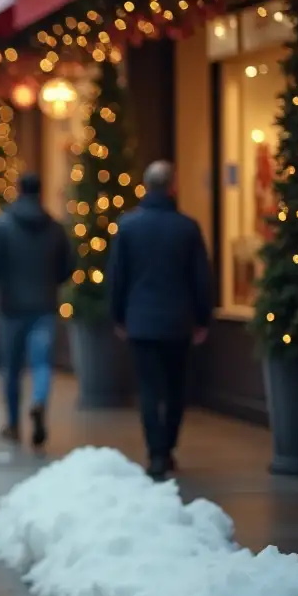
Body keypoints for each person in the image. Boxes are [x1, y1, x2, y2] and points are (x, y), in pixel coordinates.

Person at [107, 160, 212, 480]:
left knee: (150, 389)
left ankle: (155, 452)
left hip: (141, 320)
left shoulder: (128, 226)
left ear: (146, 186)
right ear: (172, 187)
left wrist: (118, 315)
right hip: (178, 321)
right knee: (176, 387)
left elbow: (117, 277)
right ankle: (167, 447)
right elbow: (201, 278)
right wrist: (203, 318)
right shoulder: (187, 228)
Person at [0, 172, 74, 447]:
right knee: (41, 364)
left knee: (12, 369)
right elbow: (66, 267)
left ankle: (13, 424)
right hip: (44, 306)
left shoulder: (2, 225)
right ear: (41, 191)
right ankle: (39, 402)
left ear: (18, 190)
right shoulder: (55, 228)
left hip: (11, 307)